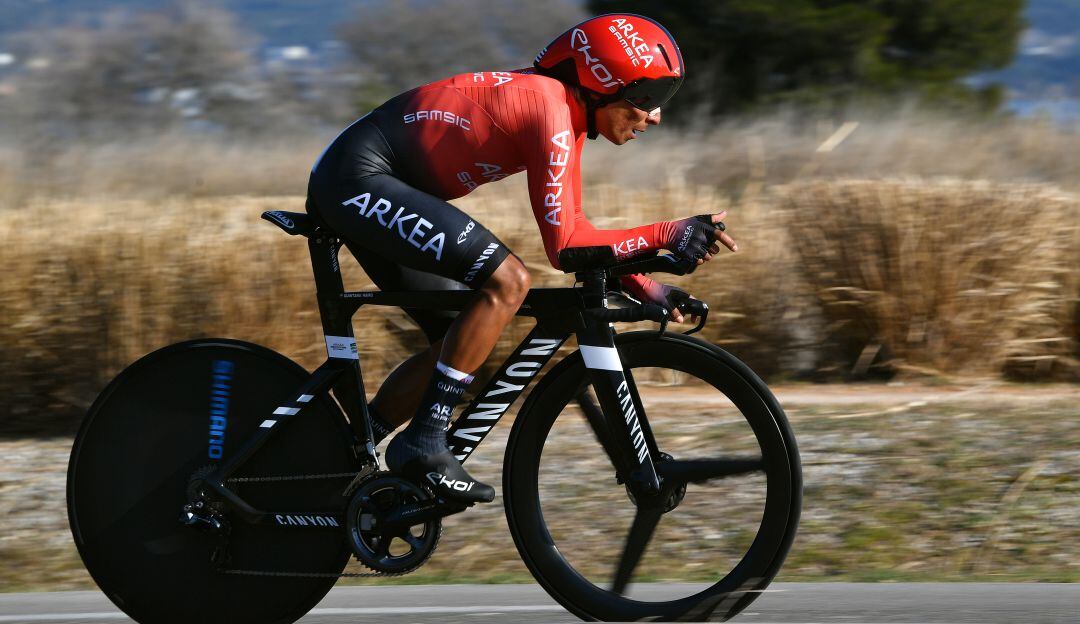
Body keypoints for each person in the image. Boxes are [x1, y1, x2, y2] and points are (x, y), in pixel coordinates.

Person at [305, 13, 737, 504]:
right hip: (356, 179)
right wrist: (665, 233)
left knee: (458, 339)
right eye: (646, 99)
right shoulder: (548, 110)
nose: (654, 116)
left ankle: (348, 451)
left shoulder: (564, 115)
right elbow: (566, 248)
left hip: (362, 179)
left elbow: (579, 231)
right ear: (600, 84)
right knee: (509, 282)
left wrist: (648, 285)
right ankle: (423, 442)